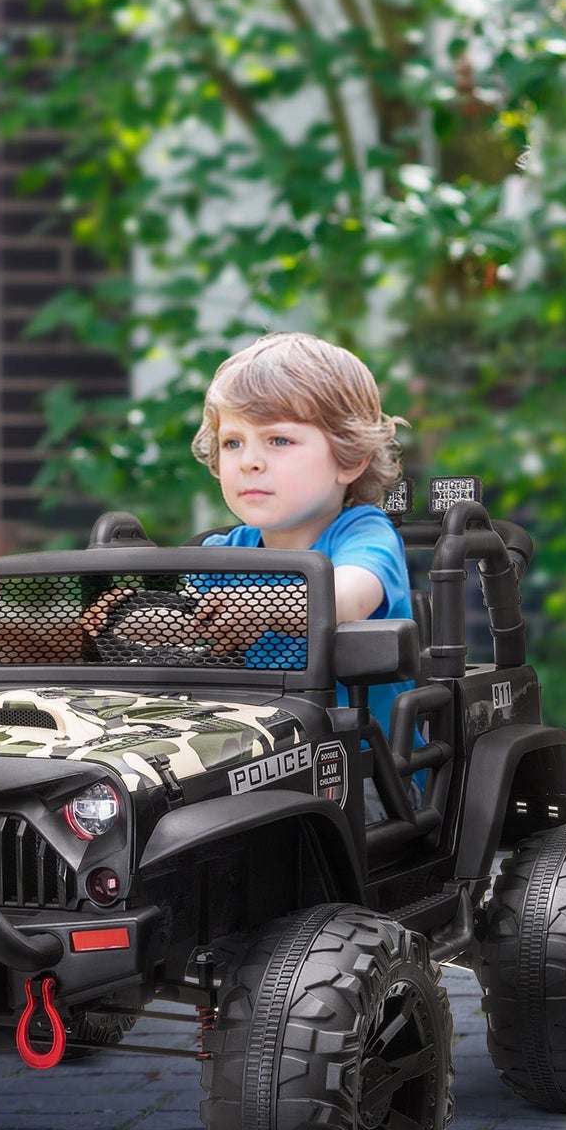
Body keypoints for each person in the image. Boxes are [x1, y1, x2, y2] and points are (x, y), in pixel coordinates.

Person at [188, 330, 420, 816]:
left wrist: (259, 608)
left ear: (350, 457)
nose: (249, 461)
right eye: (233, 442)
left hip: (359, 772)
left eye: (278, 439)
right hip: (241, 761)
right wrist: (127, 617)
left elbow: (348, 595)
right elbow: (178, 620)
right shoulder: (222, 553)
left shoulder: (362, 535)